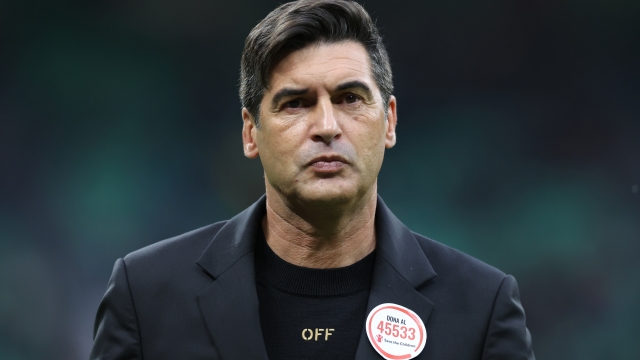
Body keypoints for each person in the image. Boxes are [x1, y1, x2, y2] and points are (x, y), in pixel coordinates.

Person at [90, 0, 535, 359]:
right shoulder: (146, 295)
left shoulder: (481, 307)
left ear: (390, 122)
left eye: (349, 98)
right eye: (296, 103)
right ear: (251, 132)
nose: (327, 125)